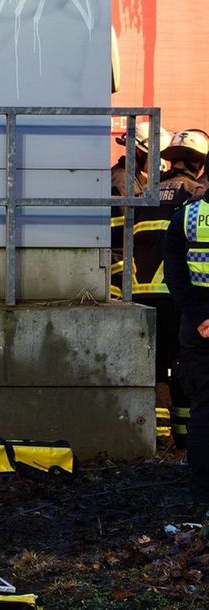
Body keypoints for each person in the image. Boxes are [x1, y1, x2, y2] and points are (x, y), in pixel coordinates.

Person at [134, 130, 208, 452]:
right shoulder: (193, 197)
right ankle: (183, 438)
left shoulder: (148, 191)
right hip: (177, 297)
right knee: (183, 369)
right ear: (198, 164)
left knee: (153, 367)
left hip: (140, 293)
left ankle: (155, 436)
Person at [161, 146, 209, 508]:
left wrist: (199, 318)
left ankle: (201, 493)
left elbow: (175, 274)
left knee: (203, 409)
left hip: (198, 324)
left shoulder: (189, 216)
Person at [110, 122, 173, 298]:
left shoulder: (138, 181)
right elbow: (121, 238)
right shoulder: (121, 183)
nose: (159, 161)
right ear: (138, 152)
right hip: (118, 281)